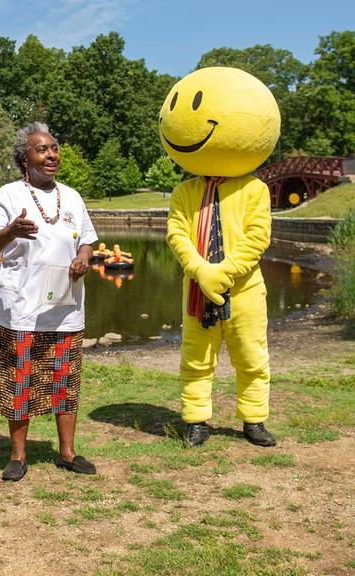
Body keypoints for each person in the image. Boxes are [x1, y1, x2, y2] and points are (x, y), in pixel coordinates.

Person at [160, 67, 280, 448]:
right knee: (196, 358)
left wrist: (224, 273)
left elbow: (257, 238)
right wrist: (200, 270)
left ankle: (254, 419)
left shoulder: (255, 190)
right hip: (197, 289)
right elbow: (176, 233)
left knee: (251, 357)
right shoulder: (184, 192)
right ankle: (197, 419)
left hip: (244, 290)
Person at [0, 122, 98, 482]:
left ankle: (67, 452)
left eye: (54, 148)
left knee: (66, 380)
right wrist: (10, 231)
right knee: (20, 381)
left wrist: (84, 258)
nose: (51, 155)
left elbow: (88, 240)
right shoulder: (8, 195)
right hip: (21, 309)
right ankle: (18, 456)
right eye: (42, 150)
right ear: (24, 159)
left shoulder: (73, 197)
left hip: (65, 308)